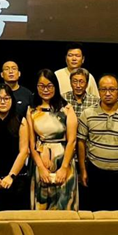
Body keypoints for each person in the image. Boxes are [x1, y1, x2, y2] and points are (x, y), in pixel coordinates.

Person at [77, 74, 118, 212]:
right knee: (95, 215)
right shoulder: (87, 114)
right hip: (95, 173)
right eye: (103, 89)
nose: (107, 93)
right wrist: (83, 170)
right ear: (98, 91)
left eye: (112, 89)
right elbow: (81, 142)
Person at [28, 70, 78, 211]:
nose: (45, 90)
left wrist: (64, 167)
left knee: (65, 205)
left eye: (49, 86)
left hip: (64, 161)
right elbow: (31, 144)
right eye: (41, 86)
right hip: (41, 162)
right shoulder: (31, 110)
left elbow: (72, 141)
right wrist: (41, 168)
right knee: (42, 207)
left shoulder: (67, 109)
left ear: (55, 86)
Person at [0, 84, 31, 211]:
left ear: (12, 100)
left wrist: (11, 176)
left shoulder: (21, 121)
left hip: (17, 179)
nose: (2, 102)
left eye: (6, 98)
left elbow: (24, 151)